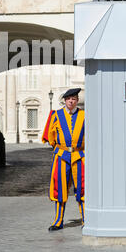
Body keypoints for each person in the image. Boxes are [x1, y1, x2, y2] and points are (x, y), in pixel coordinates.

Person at [42, 88, 85, 231]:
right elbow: (50, 136)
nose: (71, 101)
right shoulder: (56, 115)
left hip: (79, 156)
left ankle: (86, 219)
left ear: (77, 100)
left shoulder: (84, 115)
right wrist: (60, 149)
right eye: (68, 99)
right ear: (65, 101)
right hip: (61, 156)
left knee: (82, 188)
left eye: (73, 99)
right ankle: (58, 221)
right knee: (59, 188)